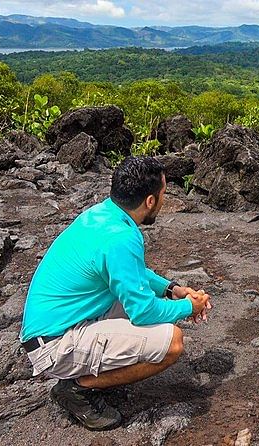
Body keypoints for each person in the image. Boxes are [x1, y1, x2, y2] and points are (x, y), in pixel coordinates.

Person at [19, 156, 212, 431]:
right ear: (150, 201)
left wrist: (173, 290)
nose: (163, 200)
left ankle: (93, 368)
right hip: (53, 346)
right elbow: (143, 312)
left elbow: (130, 273)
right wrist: (189, 307)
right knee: (172, 343)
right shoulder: (121, 237)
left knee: (143, 306)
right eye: (163, 194)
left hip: (57, 324)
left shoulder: (102, 215)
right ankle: (78, 388)